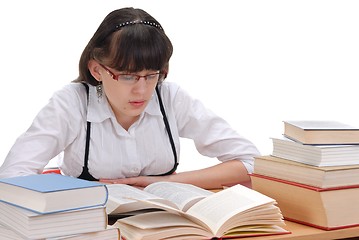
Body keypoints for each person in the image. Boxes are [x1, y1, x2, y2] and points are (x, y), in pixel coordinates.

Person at [0, 7, 260, 189]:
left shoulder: (170, 96)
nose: (142, 90)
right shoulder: (71, 103)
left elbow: (250, 162)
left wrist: (165, 182)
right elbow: (12, 176)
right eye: (128, 76)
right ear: (97, 70)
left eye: (152, 75)